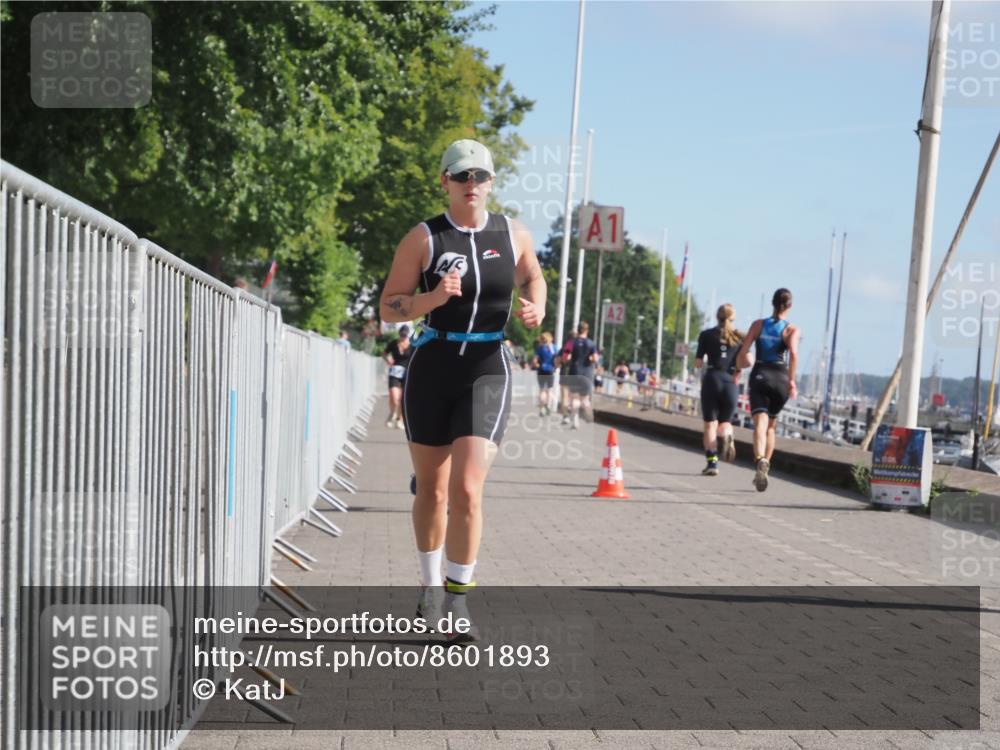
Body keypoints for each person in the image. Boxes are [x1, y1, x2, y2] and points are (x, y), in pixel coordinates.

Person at [379, 138, 545, 641]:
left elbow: (533, 277)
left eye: (480, 176)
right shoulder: (424, 238)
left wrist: (537, 305)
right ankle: (429, 587)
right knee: (432, 490)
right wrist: (431, 298)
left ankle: (458, 599)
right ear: (445, 182)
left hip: (487, 366)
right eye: (461, 176)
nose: (471, 184)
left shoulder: (513, 233)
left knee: (467, 488)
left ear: (492, 182)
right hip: (432, 365)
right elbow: (389, 306)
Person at [735, 288, 800, 492]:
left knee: (760, 425)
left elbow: (744, 351)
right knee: (771, 426)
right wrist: (792, 381)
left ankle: (760, 460)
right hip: (780, 379)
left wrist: (738, 368)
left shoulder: (758, 325)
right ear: (790, 306)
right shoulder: (791, 330)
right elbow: (794, 354)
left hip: (761, 375)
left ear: (772, 303)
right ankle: (766, 466)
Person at [694, 304, 745, 476]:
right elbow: (744, 362)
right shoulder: (739, 337)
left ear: (717, 317)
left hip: (712, 379)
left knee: (710, 424)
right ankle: (727, 435)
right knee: (725, 423)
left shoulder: (706, 335)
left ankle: (712, 463)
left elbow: (698, 363)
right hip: (730, 381)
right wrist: (737, 370)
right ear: (733, 318)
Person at [567, 321, 597, 429]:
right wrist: (590, 359)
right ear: (587, 330)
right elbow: (595, 358)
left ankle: (575, 422)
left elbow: (566, 357)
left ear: (578, 330)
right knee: (584, 398)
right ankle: (588, 414)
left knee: (574, 398)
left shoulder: (571, 342)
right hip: (587, 374)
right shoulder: (591, 343)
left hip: (574, 372)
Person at [383, 325, 413, 429]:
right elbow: (384, 354)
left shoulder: (412, 345)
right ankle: (392, 413)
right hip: (394, 372)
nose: (403, 337)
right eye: (401, 335)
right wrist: (389, 361)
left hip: (407, 373)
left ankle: (400, 419)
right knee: (394, 396)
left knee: (402, 399)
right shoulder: (393, 343)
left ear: (408, 335)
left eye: (405, 335)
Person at [532, 332, 557, 416]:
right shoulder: (554, 347)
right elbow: (556, 359)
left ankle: (542, 408)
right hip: (550, 371)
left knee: (542, 390)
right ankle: (548, 406)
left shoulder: (540, 348)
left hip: (541, 370)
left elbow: (535, 361)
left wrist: (537, 365)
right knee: (549, 390)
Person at [557, 337, 575, 424]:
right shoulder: (580, 347)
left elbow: (559, 360)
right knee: (573, 395)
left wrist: (558, 365)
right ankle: (572, 411)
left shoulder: (565, 347)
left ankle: (565, 416)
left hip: (565, 372)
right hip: (577, 373)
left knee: (564, 396)